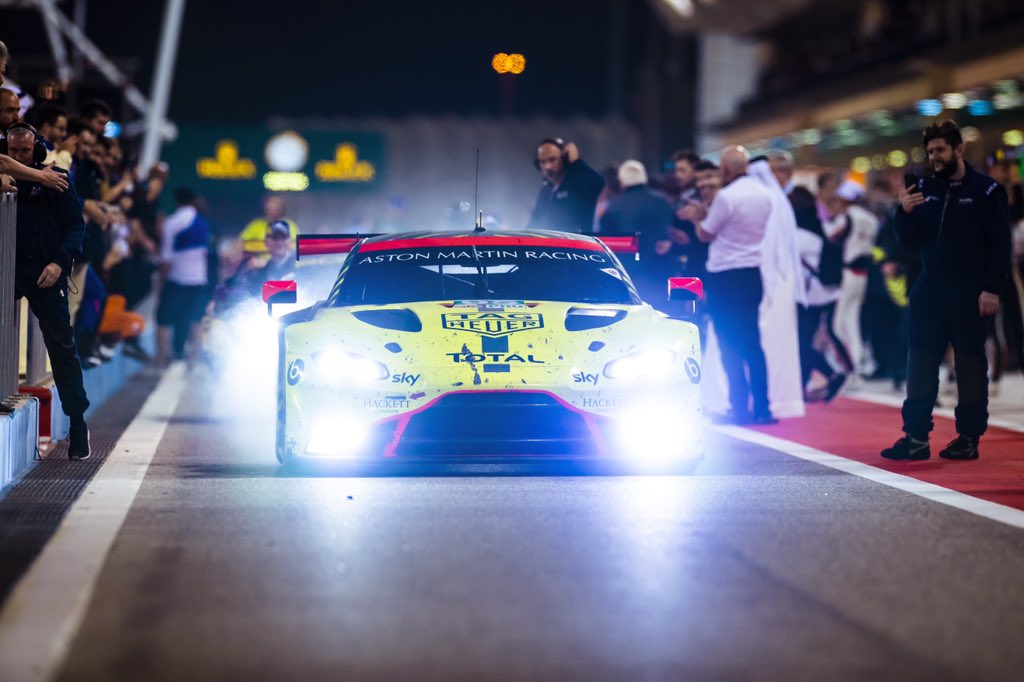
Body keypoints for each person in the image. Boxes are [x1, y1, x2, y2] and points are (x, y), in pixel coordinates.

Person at [882, 120, 1012, 461]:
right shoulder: (925, 187)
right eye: (930, 151)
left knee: (970, 365)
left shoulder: (986, 191)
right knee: (920, 361)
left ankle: (968, 437)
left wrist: (991, 289)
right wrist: (904, 212)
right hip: (929, 287)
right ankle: (916, 437)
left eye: (940, 150)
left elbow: (1001, 245)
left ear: (959, 149)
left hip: (970, 291)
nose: (934, 157)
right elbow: (908, 241)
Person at [7, 123, 91, 459]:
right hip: (8, 270)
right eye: (13, 151)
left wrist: (59, 262)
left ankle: (77, 421)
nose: (18, 156)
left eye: (25, 151)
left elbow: (76, 226)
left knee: (61, 345)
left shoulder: (57, 179)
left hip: (46, 271)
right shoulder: (7, 174)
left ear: (37, 149)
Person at [686, 146, 775, 424]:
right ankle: (763, 407)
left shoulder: (727, 196)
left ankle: (739, 407)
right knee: (753, 342)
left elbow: (705, 234)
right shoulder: (765, 194)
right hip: (752, 273)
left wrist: (698, 216)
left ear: (726, 169)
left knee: (729, 343)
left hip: (725, 275)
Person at [598, 160, 675, 308]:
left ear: (621, 181)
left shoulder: (614, 206)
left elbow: (605, 242)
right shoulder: (663, 202)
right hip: (661, 275)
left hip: (628, 274)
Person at [824, 180, 880, 381]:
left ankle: (846, 367)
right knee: (853, 321)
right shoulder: (872, 219)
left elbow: (830, 236)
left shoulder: (848, 217)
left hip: (847, 273)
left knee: (838, 324)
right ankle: (857, 362)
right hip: (863, 274)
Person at [157, 188, 210, 366]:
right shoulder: (203, 223)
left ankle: (162, 358)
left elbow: (166, 258)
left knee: (163, 318)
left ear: (177, 202)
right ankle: (193, 358)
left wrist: (161, 282)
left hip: (176, 278)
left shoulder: (172, 223)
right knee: (195, 318)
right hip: (198, 279)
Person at [526, 137, 604, 232]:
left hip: (576, 244)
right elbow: (534, 223)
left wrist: (576, 163)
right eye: (543, 162)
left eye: (552, 160)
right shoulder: (545, 192)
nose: (548, 166)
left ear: (564, 159)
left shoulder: (577, 185)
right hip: (550, 244)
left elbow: (598, 183)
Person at [238, 195, 298, 265]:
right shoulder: (255, 225)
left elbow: (297, 249)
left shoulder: (290, 226)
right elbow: (239, 243)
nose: (272, 212)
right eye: (269, 209)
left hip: (284, 265)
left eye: (276, 210)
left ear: (282, 210)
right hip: (258, 267)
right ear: (264, 210)